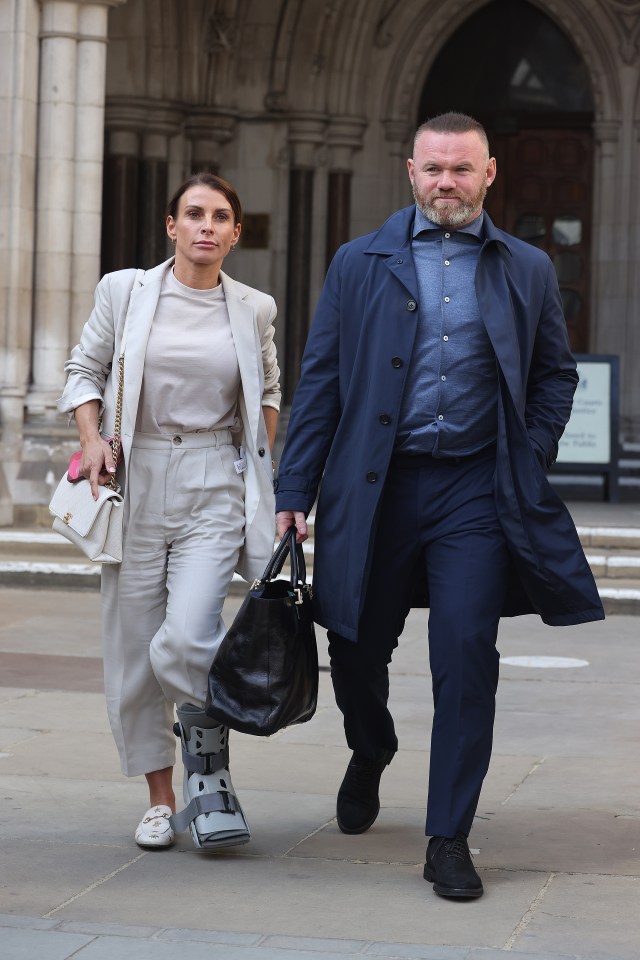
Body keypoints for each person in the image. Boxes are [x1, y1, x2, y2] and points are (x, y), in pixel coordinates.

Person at [275, 112, 604, 899]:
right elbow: (320, 381)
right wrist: (294, 491)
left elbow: (556, 375)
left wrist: (532, 449)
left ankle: (448, 836)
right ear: (410, 171)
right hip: (375, 488)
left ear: (490, 174)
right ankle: (373, 744)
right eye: (433, 169)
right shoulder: (360, 262)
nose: (446, 183)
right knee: (352, 647)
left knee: (465, 659)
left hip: (476, 491)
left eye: (462, 169)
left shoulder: (526, 266)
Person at [58, 173, 280, 851]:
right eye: (194, 214)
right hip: (138, 474)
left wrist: (259, 460)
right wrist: (92, 440)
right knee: (131, 653)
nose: (206, 226)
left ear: (236, 234)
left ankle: (208, 769)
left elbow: (269, 387)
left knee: (185, 637)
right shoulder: (125, 291)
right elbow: (82, 371)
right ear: (171, 225)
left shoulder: (254, 307)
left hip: (215, 476)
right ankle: (163, 799)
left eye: (220, 217)